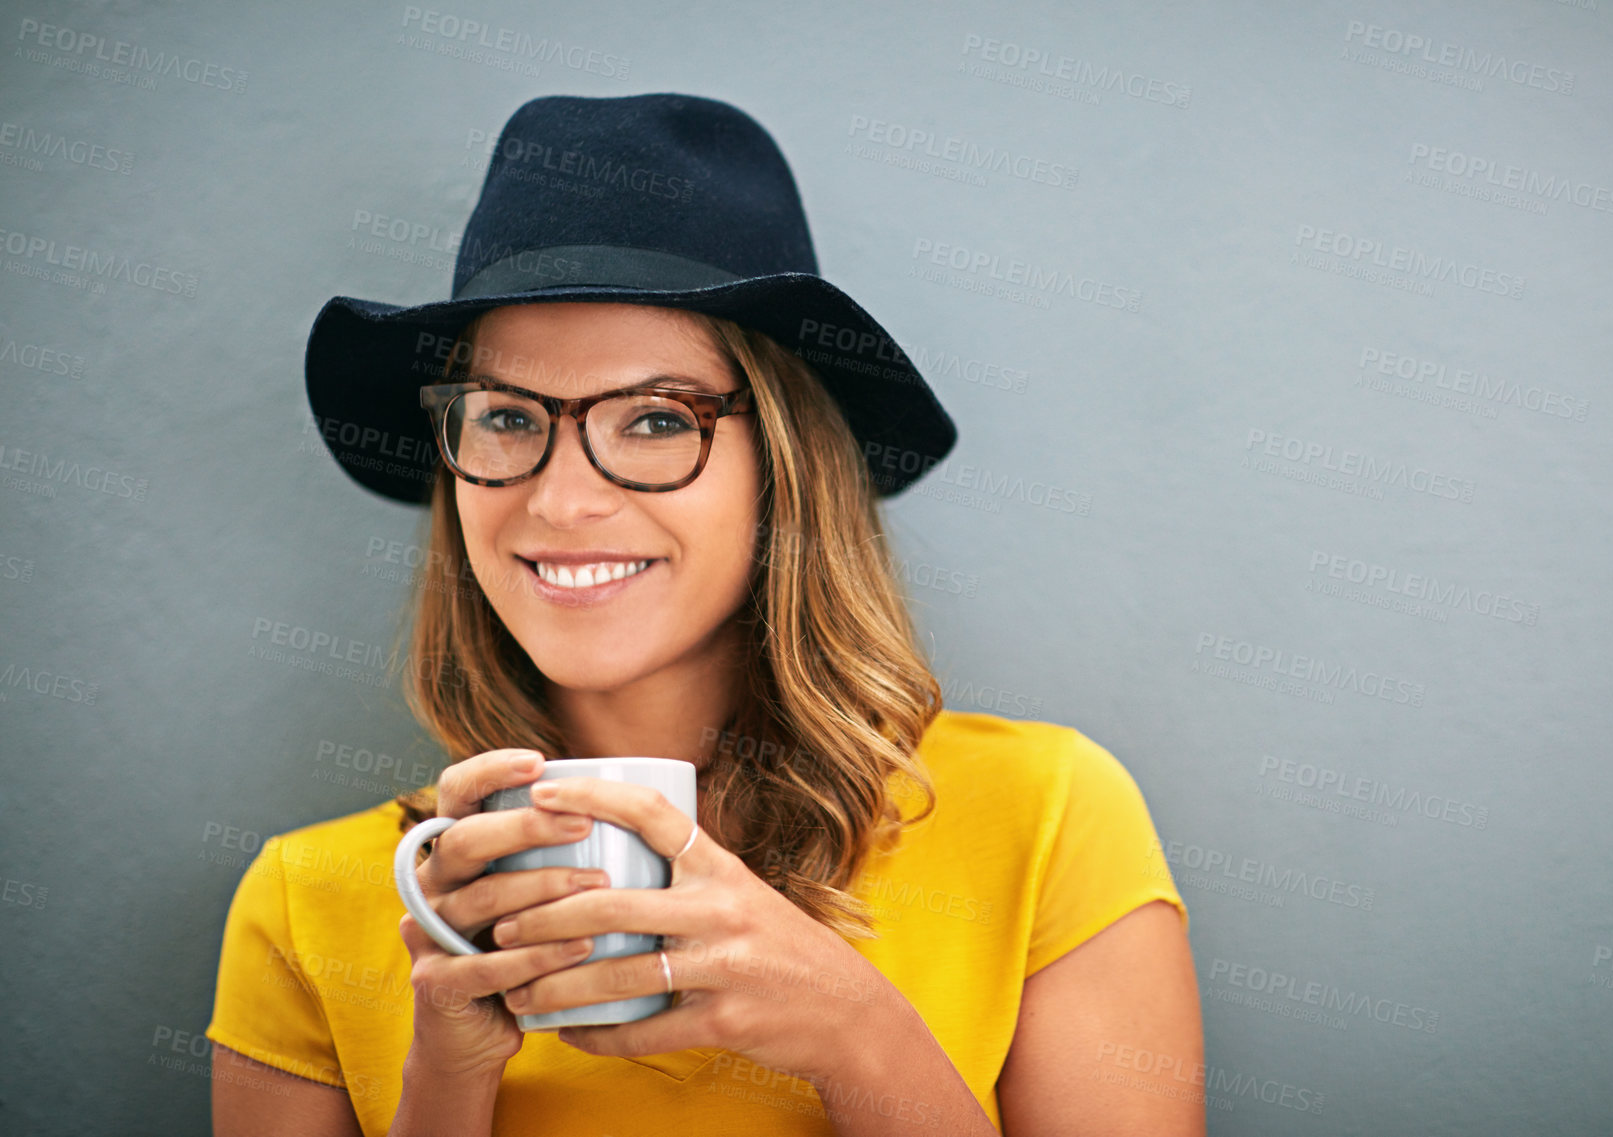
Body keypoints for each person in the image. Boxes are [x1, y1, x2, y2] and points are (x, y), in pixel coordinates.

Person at [204, 93, 1202, 1137]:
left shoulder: (1047, 820)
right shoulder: (305, 902)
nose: (560, 501)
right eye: (506, 418)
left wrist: (856, 1034)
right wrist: (447, 1082)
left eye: (653, 418)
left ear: (785, 470)